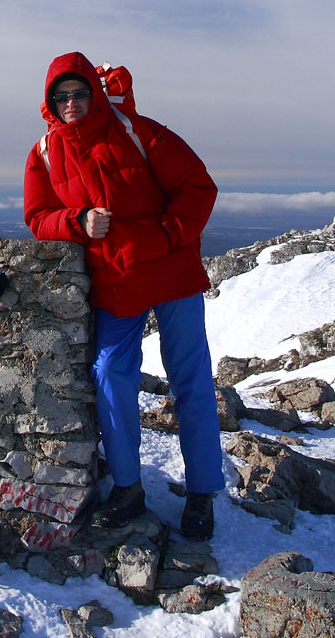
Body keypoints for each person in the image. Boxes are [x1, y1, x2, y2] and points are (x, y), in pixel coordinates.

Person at [23, 51, 224, 540]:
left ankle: (201, 494)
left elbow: (198, 187)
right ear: (50, 102)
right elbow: (37, 218)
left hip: (172, 274)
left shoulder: (139, 130)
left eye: (79, 92)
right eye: (60, 96)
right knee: (111, 375)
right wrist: (77, 223)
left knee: (191, 381)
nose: (71, 102)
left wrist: (167, 236)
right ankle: (128, 489)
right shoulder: (45, 152)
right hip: (115, 283)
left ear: (94, 90)